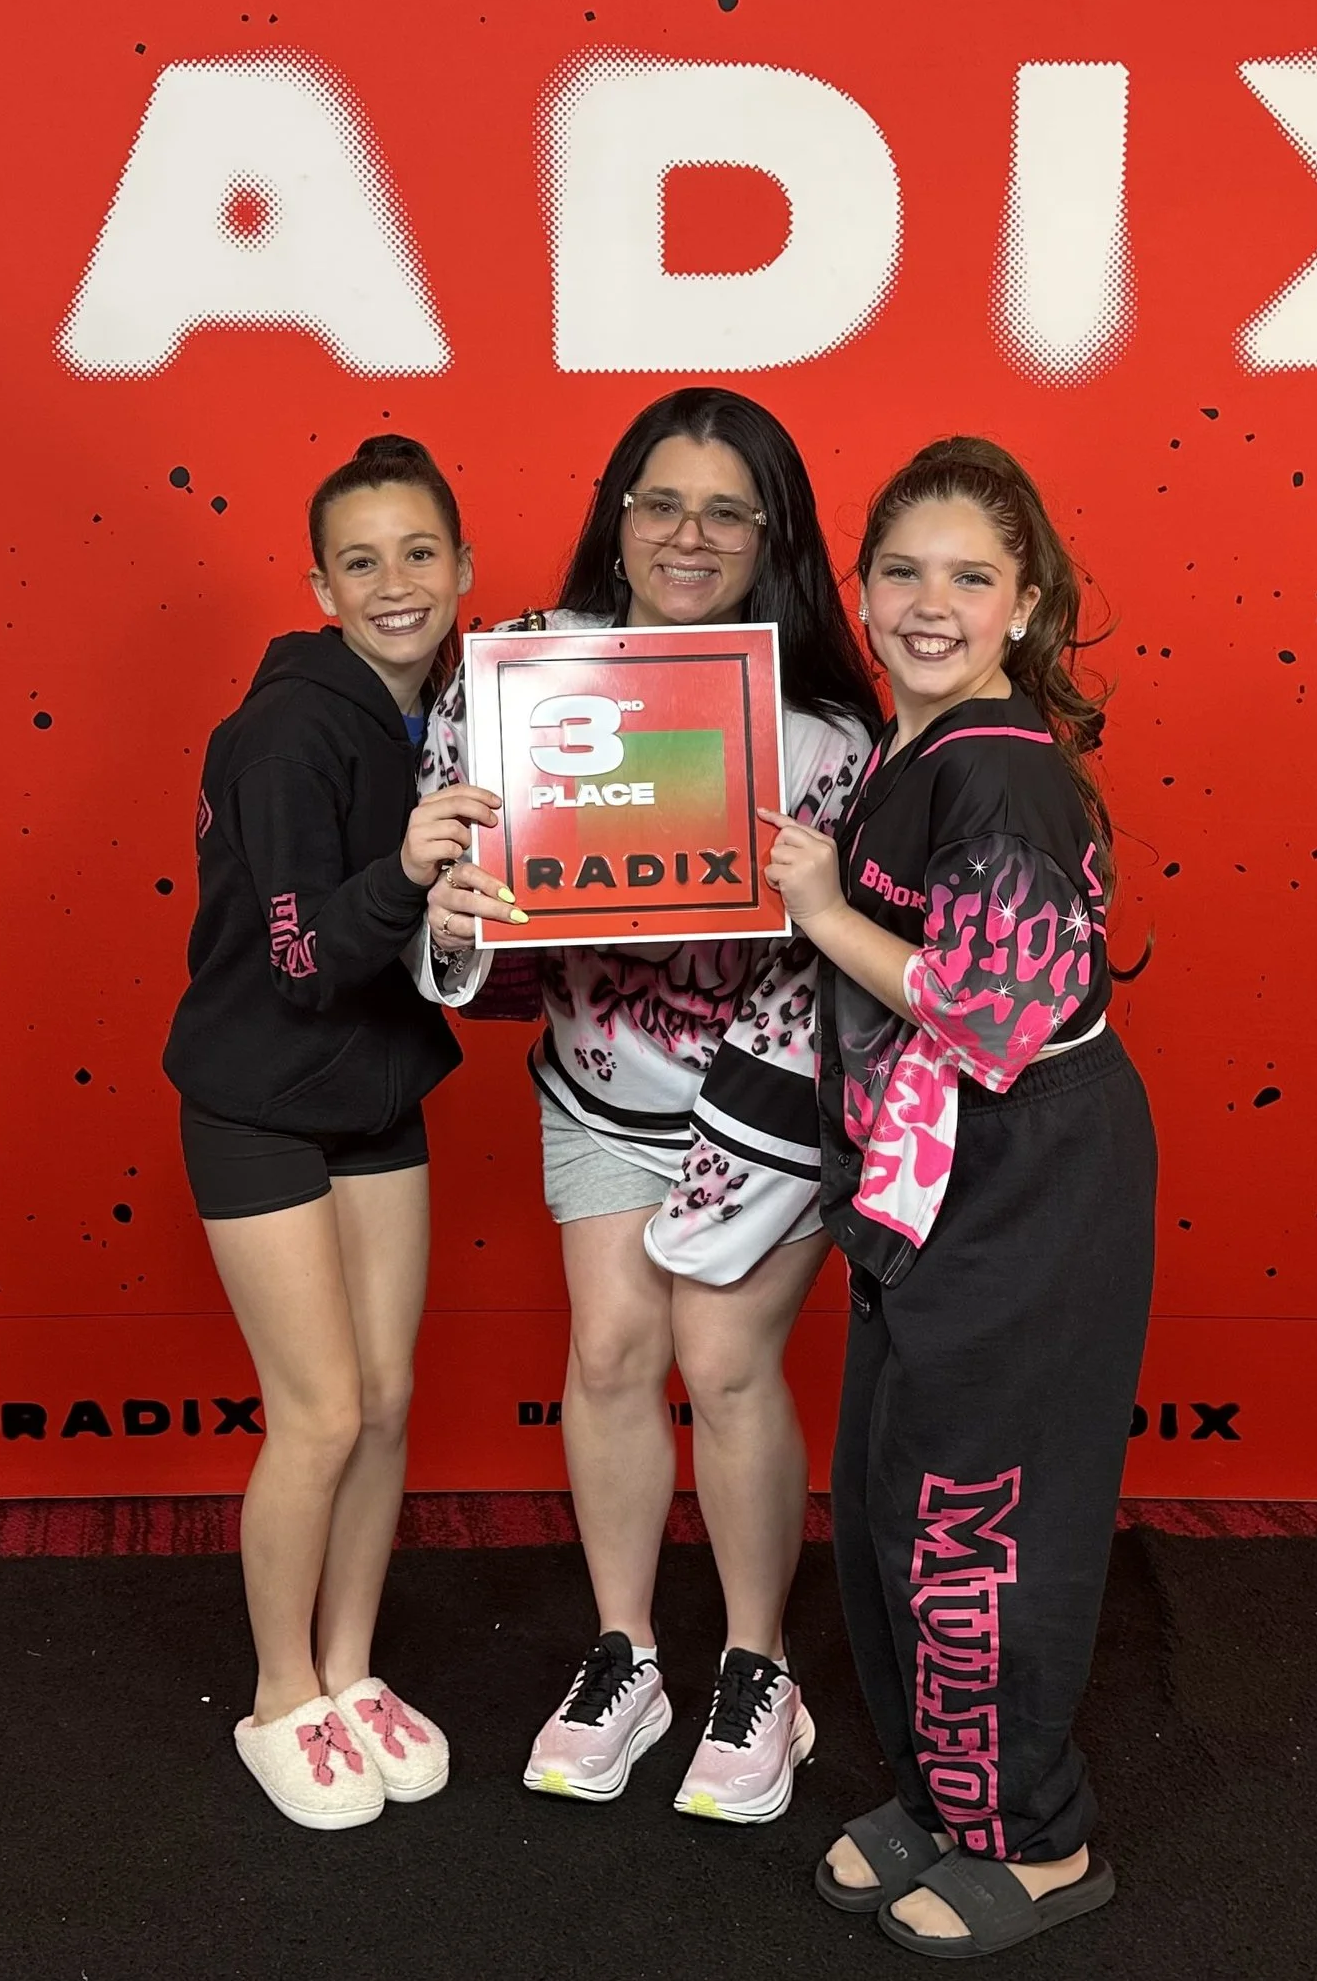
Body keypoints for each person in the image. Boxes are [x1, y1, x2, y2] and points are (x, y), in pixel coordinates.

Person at [420, 386, 879, 1824]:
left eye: (727, 510)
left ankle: (760, 1667)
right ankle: (626, 1653)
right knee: (614, 1354)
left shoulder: (830, 736)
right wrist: (450, 892)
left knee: (725, 1365)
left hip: (768, 1090)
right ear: (616, 520)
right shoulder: (517, 679)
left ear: (772, 538)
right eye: (661, 502)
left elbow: (873, 959)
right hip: (601, 1079)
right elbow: (456, 927)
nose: (691, 533)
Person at [758, 436, 1154, 1955]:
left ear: (1027, 602)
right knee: (890, 1509)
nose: (932, 604)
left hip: (1028, 1181)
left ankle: (1038, 1841)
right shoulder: (915, 751)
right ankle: (946, 1794)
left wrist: (818, 910)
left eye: (971, 577)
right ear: (860, 589)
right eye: (904, 573)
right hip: (932, 1188)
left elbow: (995, 1017)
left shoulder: (1002, 775)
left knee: (979, 1522)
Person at [163, 434, 501, 1830]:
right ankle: (280, 1696)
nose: (396, 582)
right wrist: (410, 874)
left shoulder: (451, 712)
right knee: (317, 1413)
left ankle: (354, 1671)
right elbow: (301, 955)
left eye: (420, 552)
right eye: (361, 562)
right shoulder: (288, 729)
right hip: (256, 1102)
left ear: (463, 567)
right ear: (320, 586)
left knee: (387, 1401)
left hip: (371, 1097)